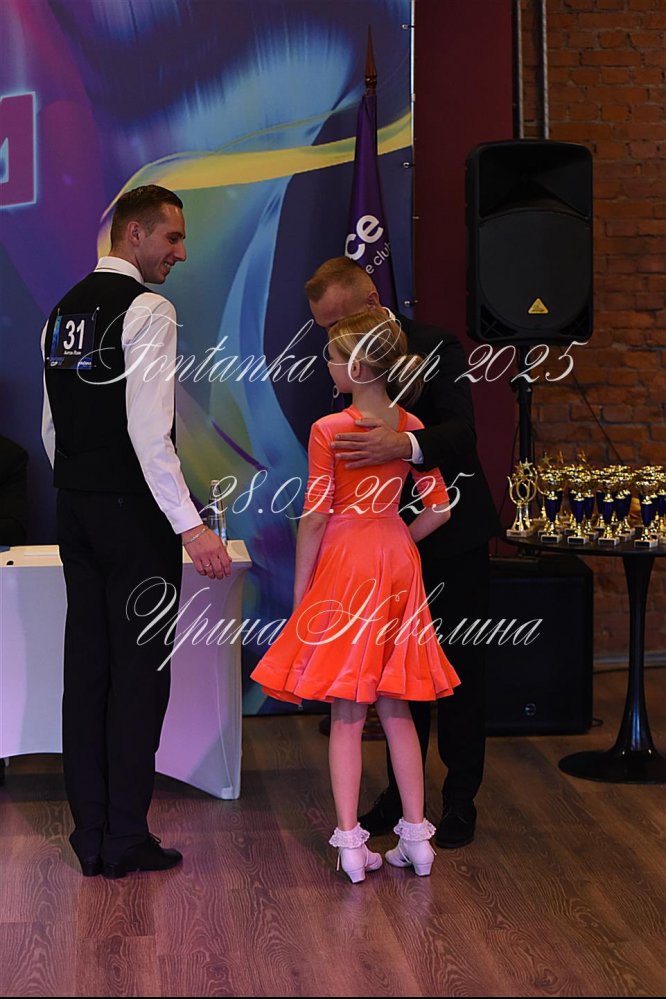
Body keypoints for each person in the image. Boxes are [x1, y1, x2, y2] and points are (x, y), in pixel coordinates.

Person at [41, 185, 231, 878]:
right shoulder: (150, 309)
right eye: (172, 238)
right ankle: (124, 835)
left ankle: (90, 834)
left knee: (87, 670)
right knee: (139, 678)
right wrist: (192, 527)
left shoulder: (61, 311)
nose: (180, 253)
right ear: (134, 234)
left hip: (75, 508)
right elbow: (151, 434)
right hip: (132, 517)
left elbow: (51, 428)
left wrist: (82, 489)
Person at [251, 311, 460, 882]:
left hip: (346, 563)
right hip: (396, 559)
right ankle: (417, 840)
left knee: (347, 708)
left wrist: (302, 589)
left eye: (333, 356)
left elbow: (316, 514)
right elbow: (440, 509)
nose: (326, 364)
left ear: (361, 367)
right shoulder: (410, 425)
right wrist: (397, 537)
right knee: (397, 703)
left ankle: (350, 847)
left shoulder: (330, 428)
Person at [305, 257, 500, 849]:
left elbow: (462, 433)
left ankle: (460, 798)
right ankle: (401, 799)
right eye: (324, 329)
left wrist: (405, 444)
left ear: (370, 301)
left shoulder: (437, 345)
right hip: (376, 553)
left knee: (459, 667)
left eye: (339, 323)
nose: (333, 341)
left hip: (450, 537)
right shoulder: (342, 362)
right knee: (392, 675)